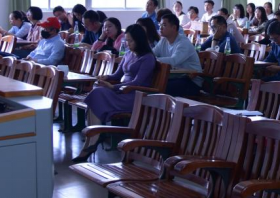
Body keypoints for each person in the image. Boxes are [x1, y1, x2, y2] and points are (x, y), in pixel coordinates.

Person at [73, 24, 158, 162]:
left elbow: (138, 82)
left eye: (131, 41)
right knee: (96, 93)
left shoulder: (148, 58)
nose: (127, 44)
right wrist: (106, 77)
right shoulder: (129, 54)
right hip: (122, 92)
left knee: (97, 94)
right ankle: (93, 139)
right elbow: (117, 74)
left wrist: (113, 87)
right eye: (126, 40)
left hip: (135, 95)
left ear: (139, 40)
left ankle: (94, 138)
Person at [154, 14, 203, 97]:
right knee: (152, 82)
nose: (160, 28)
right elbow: (152, 54)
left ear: (174, 28)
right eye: (160, 25)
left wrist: (153, 59)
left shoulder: (183, 42)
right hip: (176, 77)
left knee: (162, 87)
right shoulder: (163, 41)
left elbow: (174, 61)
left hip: (192, 81)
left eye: (164, 25)